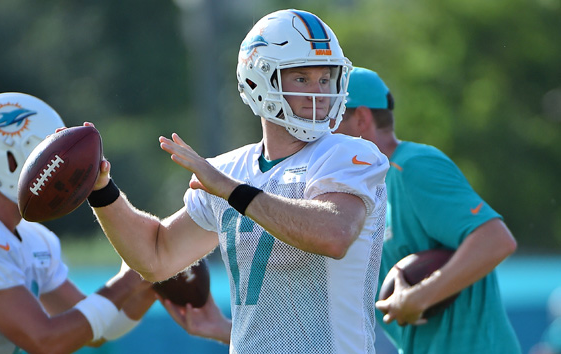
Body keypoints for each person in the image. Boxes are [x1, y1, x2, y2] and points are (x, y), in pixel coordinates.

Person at [85, 9, 389, 354]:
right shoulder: (230, 169)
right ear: (259, 81)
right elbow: (156, 257)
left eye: (325, 78)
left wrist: (231, 190)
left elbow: (333, 234)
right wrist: (101, 191)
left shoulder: (349, 154)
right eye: (301, 79)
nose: (317, 93)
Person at [0, 92, 158, 353]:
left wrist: (150, 282)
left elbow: (97, 331)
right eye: (49, 149)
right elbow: (46, 341)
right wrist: (131, 278)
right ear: (10, 159)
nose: (61, 162)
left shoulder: (33, 238)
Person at [334, 67, 521, 353]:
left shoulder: (414, 166)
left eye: (330, 120)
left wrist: (421, 296)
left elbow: (495, 240)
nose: (320, 134)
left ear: (361, 118)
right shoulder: (358, 193)